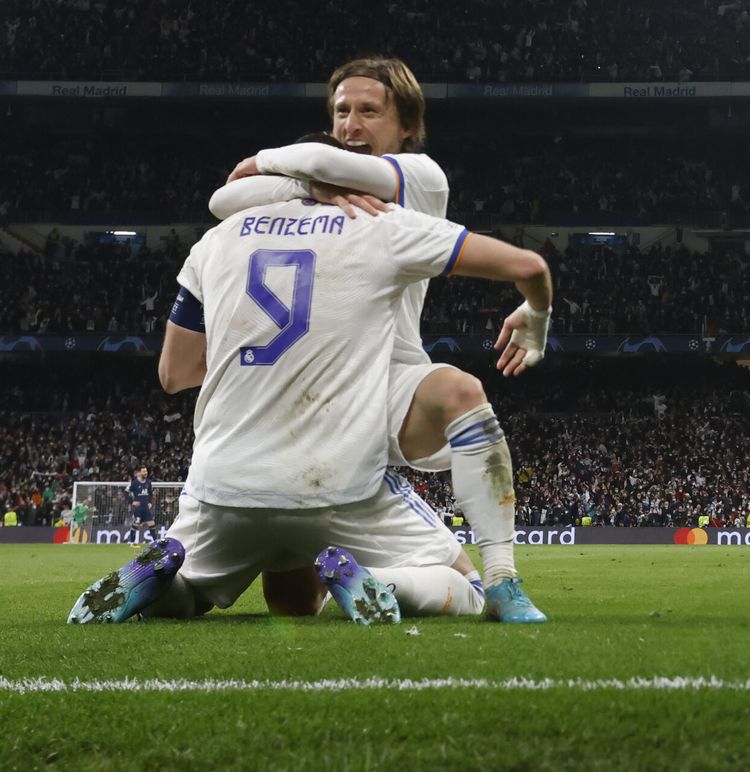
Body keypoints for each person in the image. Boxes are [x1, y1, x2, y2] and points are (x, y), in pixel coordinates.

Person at [67, 177, 554, 625]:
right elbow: (526, 265)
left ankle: (162, 582)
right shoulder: (373, 224)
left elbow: (173, 374)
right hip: (333, 481)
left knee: (255, 599)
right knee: (467, 585)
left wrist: (247, 364)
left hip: (223, 486)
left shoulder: (217, 239)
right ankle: (384, 583)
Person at [209, 57, 547, 623]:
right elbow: (227, 197)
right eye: (341, 111)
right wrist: (307, 184)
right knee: (293, 604)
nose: (351, 124)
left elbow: (278, 172)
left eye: (369, 111)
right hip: (309, 386)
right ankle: (380, 581)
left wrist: (274, 166)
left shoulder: (420, 176)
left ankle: (503, 578)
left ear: (407, 126)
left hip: (388, 380)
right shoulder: (313, 194)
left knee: (459, 391)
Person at [126, 466, 154, 545]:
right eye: (144, 471)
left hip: (146, 507)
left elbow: (150, 493)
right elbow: (126, 492)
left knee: (152, 524)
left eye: (146, 471)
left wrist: (150, 502)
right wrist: (132, 502)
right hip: (138, 508)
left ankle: (156, 542)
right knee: (137, 522)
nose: (145, 473)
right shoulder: (134, 483)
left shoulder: (148, 482)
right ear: (139, 473)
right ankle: (132, 542)